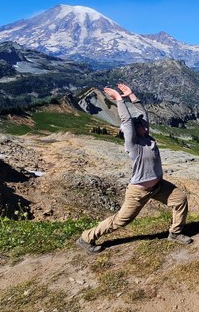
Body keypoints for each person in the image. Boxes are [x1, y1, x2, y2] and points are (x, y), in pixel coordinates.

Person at [76, 83, 193, 253]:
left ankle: (175, 233)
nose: (144, 126)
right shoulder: (133, 144)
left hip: (158, 186)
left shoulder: (147, 137)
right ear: (134, 130)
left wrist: (132, 95)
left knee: (180, 199)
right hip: (138, 191)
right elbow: (126, 120)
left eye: (144, 125)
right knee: (121, 220)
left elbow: (143, 114)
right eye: (140, 125)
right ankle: (86, 238)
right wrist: (119, 100)